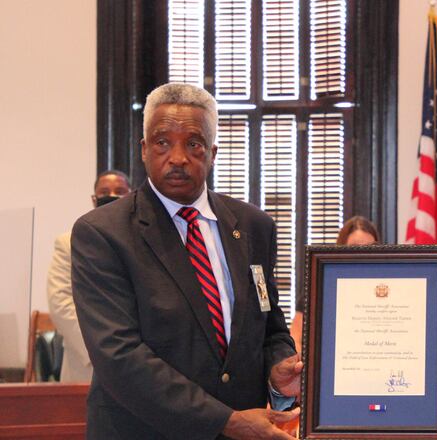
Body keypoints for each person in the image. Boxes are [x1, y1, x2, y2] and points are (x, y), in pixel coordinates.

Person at [71, 83, 301, 439]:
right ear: (144, 149)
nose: (177, 158)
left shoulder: (254, 226)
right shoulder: (102, 233)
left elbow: (269, 326)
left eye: (193, 144)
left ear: (212, 152)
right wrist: (226, 421)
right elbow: (119, 355)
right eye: (163, 142)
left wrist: (276, 369)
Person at [46, 169, 131, 382]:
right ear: (94, 199)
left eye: (120, 191)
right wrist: (105, 350)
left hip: (138, 363)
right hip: (87, 364)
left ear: (131, 195)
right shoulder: (68, 242)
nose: (112, 196)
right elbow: (61, 303)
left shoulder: (145, 241)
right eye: (105, 192)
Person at [290, 216, 379, 352]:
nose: (363, 254)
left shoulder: (387, 287)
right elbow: (295, 337)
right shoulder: (320, 285)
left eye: (370, 248)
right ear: (341, 248)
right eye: (355, 248)